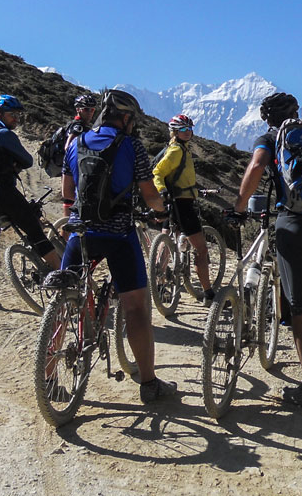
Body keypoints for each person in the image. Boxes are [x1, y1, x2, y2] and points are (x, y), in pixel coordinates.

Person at [56, 89, 178, 404]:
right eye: (132, 119)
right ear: (124, 117)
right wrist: (161, 211)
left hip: (81, 234)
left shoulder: (77, 142)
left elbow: (67, 191)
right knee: (136, 307)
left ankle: (49, 378)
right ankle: (149, 384)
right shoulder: (131, 146)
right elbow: (149, 193)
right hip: (119, 234)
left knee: (62, 300)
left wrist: (75, 216)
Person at [232, 92, 302, 408]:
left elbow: (256, 168)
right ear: (296, 111)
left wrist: (239, 205)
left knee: (299, 306)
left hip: (293, 224)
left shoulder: (268, 137)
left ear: (267, 118)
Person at [0, 94, 60, 310]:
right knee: (36, 233)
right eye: (13, 115)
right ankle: (65, 284)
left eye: (18, 115)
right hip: (5, 193)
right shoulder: (4, 135)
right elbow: (28, 160)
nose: (16, 119)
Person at [152, 114, 214, 304]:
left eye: (190, 129)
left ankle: (160, 283)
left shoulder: (178, 148)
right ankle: (209, 293)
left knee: (168, 238)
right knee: (201, 249)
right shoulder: (177, 151)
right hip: (182, 204)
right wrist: (162, 191)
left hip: (174, 202)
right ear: (175, 132)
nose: (188, 133)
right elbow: (158, 173)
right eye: (183, 130)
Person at [59, 93, 99, 217]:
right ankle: (65, 236)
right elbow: (68, 146)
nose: (90, 112)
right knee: (72, 206)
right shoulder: (78, 126)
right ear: (78, 110)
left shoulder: (78, 125)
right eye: (86, 109)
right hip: (74, 169)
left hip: (71, 168)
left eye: (92, 109)